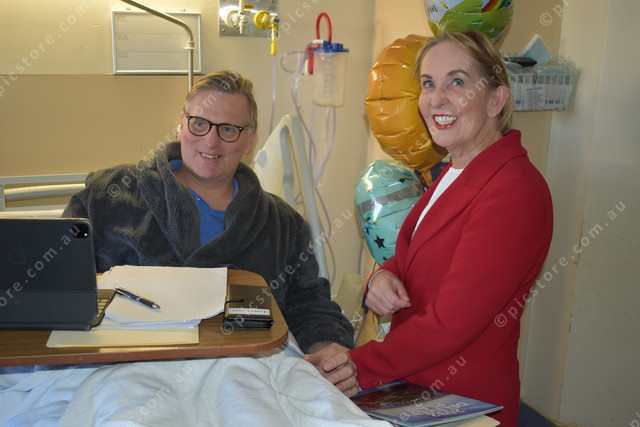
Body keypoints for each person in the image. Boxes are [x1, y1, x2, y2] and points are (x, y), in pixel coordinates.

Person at [309, 30, 554, 424]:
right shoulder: (454, 172)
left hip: (463, 403)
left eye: (456, 82)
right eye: (428, 83)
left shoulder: (514, 190)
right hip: (414, 388)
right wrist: (382, 277)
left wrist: (356, 364)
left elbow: (452, 324)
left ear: (496, 100)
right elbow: (414, 258)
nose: (436, 98)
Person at [63, 70, 355, 387]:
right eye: (200, 123)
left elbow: (312, 307)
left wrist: (329, 350)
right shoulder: (108, 196)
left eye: (228, 129)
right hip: (119, 369)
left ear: (249, 139)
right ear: (181, 124)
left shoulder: (282, 224)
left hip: (240, 375)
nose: (211, 141)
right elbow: (53, 284)